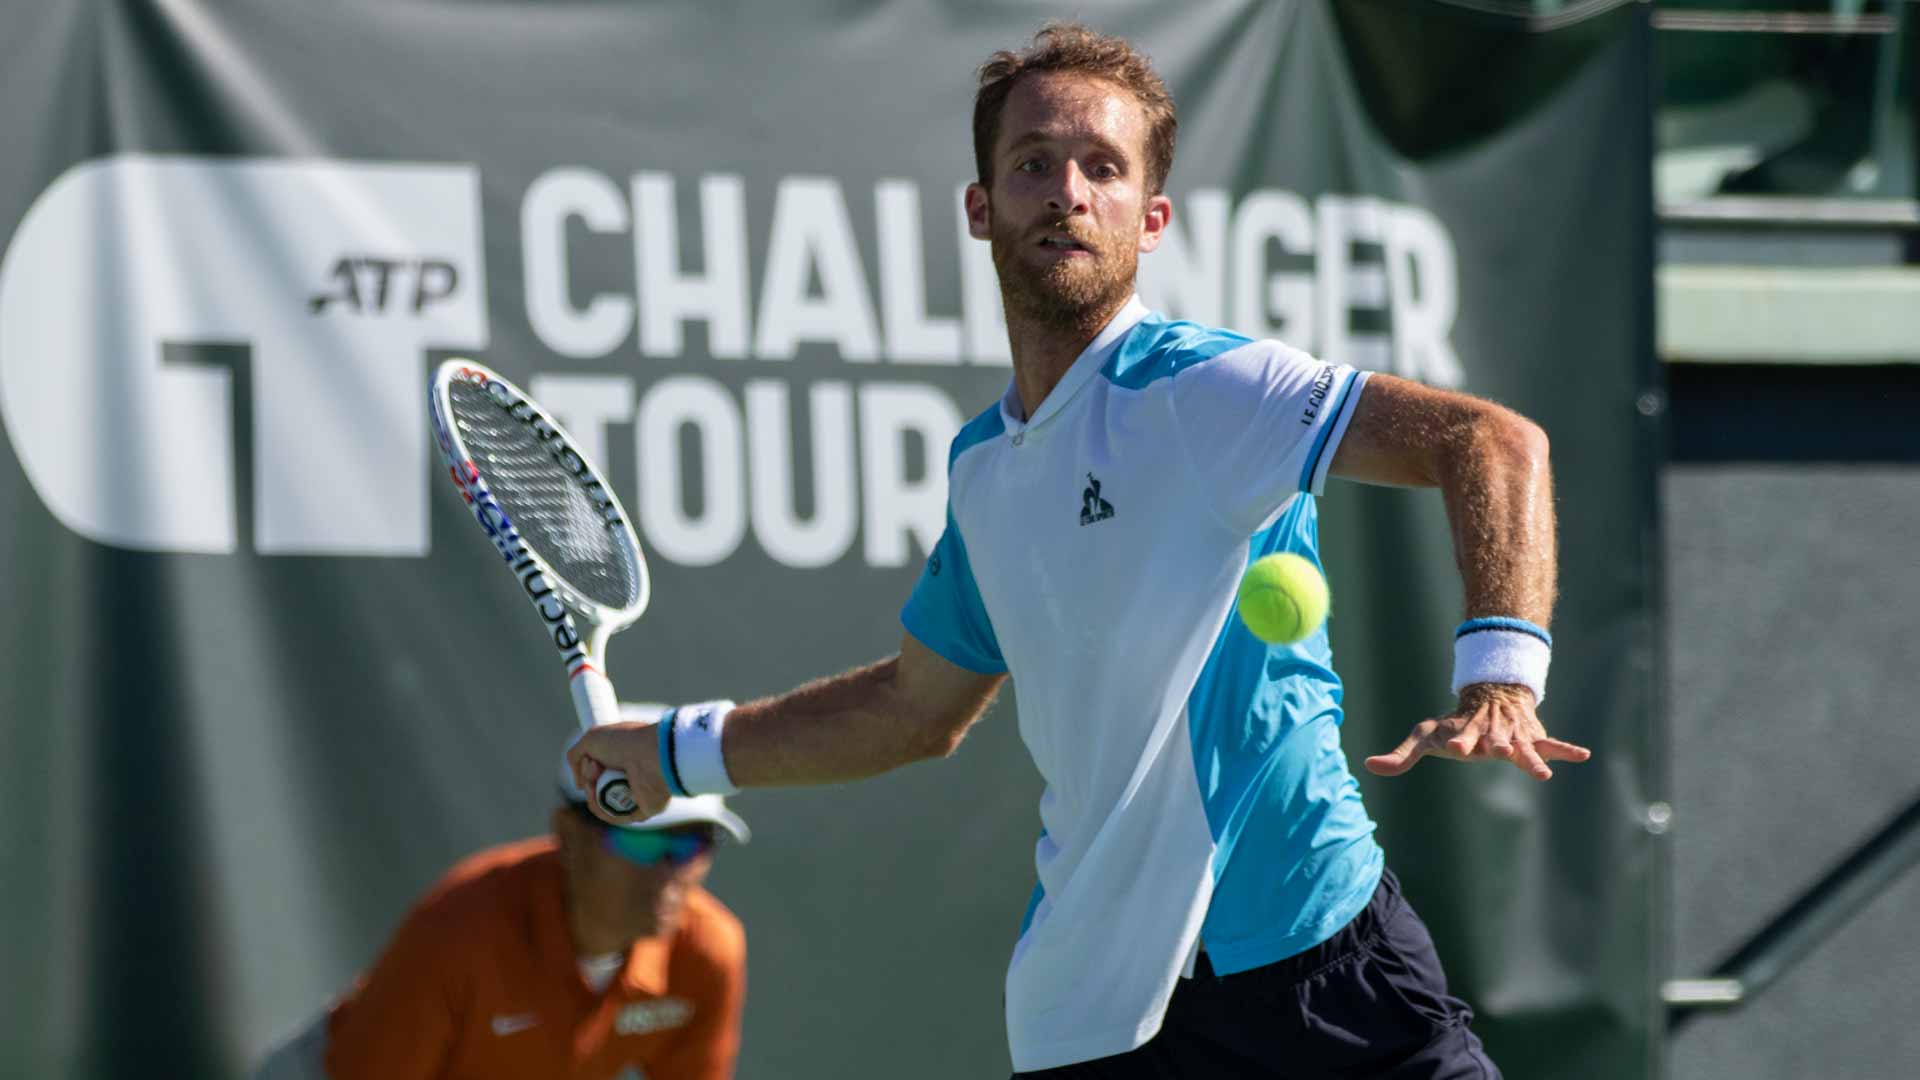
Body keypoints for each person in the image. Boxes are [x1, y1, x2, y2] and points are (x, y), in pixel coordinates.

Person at [570, 22, 1590, 1079]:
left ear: (1149, 221)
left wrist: (1503, 673)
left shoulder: (1204, 390)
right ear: (981, 207)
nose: (1068, 190)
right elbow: (915, 711)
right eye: (1033, 164)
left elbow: (1491, 441)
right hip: (1096, 1016)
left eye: (1102, 168)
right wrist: (676, 752)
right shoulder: (984, 471)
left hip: (1316, 956)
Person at [256, 719, 748, 1080]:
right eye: (641, 842)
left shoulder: (709, 951)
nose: (670, 873)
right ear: (569, 837)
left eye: (692, 845)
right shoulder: (459, 931)